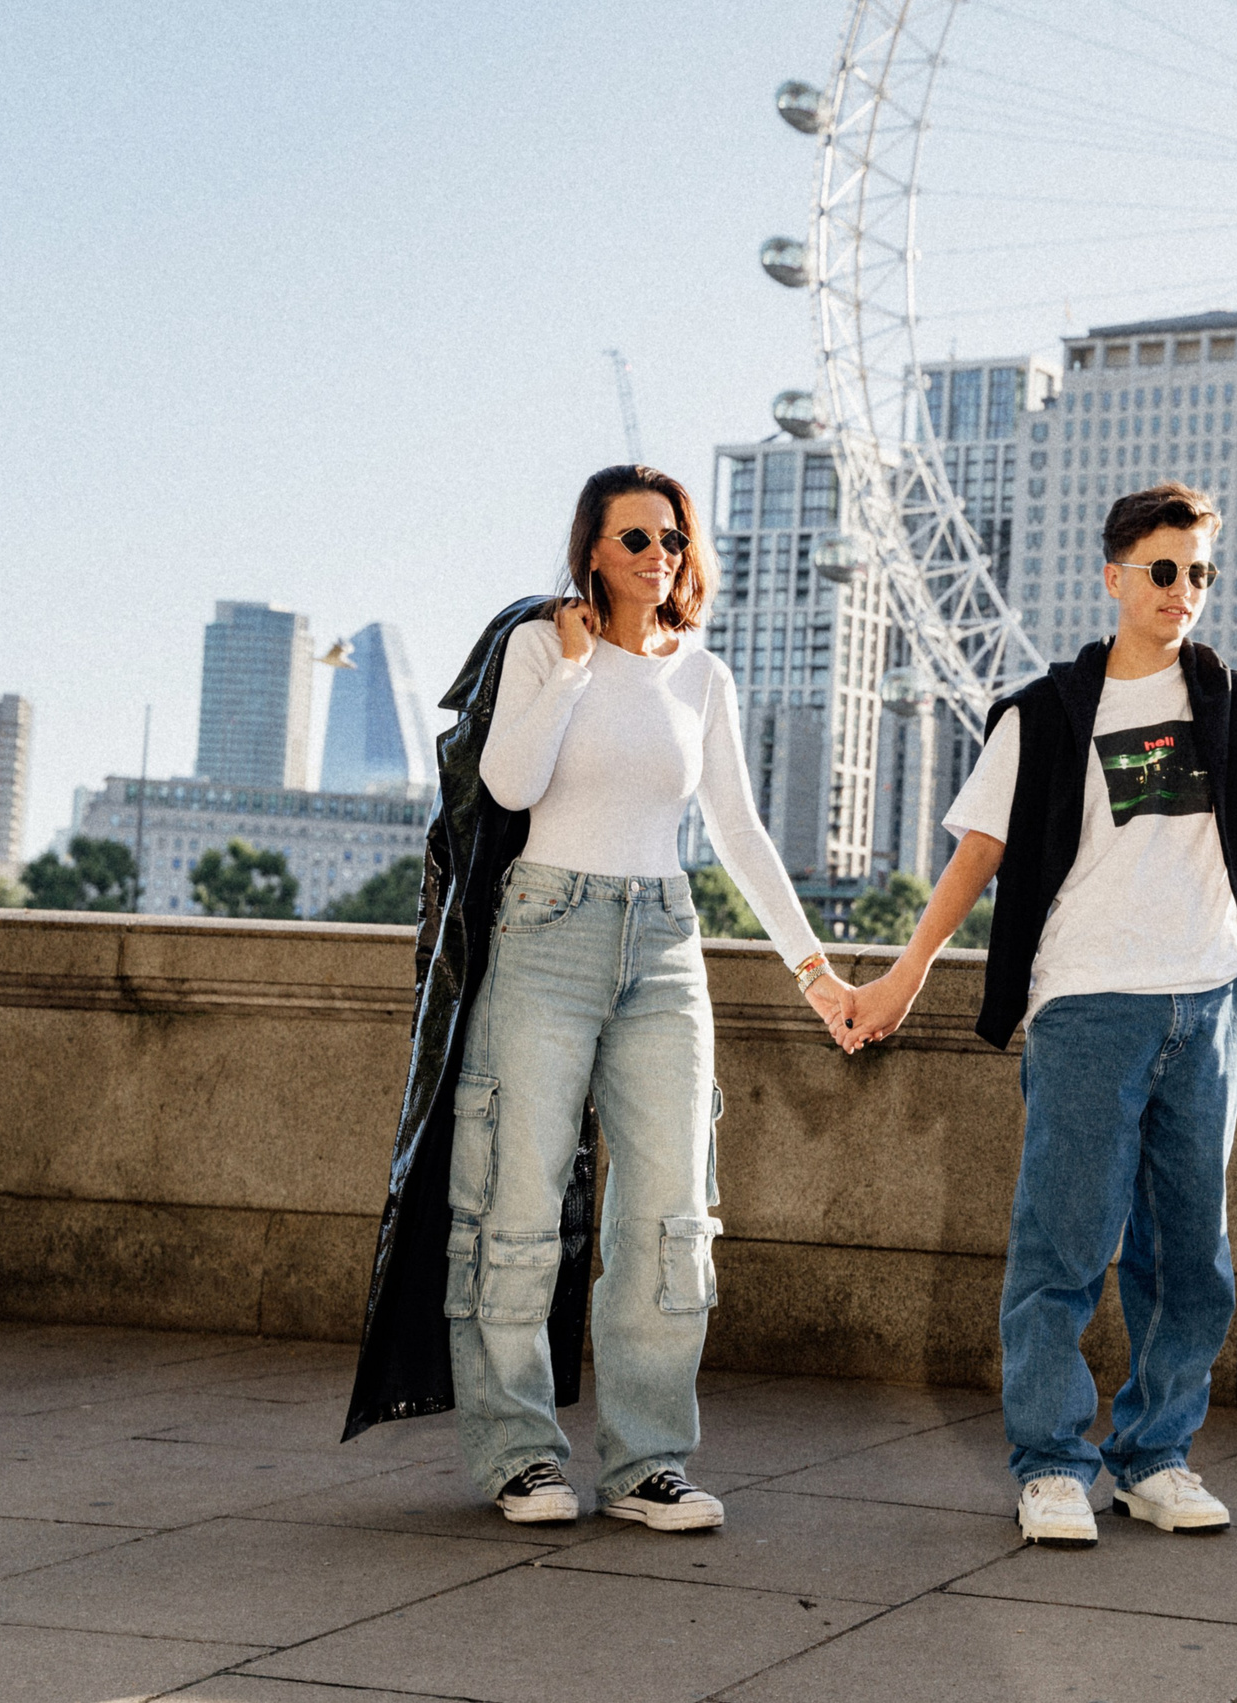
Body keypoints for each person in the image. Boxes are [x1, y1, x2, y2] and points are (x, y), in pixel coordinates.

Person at [845, 480, 1237, 1547]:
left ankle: (1155, 1454)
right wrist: (905, 972)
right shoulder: (1046, 714)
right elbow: (975, 853)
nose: (1183, 592)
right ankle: (1052, 1463)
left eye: (1200, 573)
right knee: (1062, 1245)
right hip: (1086, 1003)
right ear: (1112, 574)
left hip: (1210, 1001)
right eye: (1163, 570)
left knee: (1192, 1257)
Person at [342, 464, 862, 1533]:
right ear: (591, 549)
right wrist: (574, 669)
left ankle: (646, 1463)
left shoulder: (704, 676)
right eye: (633, 538)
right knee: (517, 1206)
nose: (655, 554)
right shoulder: (539, 646)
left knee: (672, 1216)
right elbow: (510, 785)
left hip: (666, 941)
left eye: (669, 536)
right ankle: (520, 1452)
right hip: (545, 933)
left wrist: (814, 970)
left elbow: (737, 831)